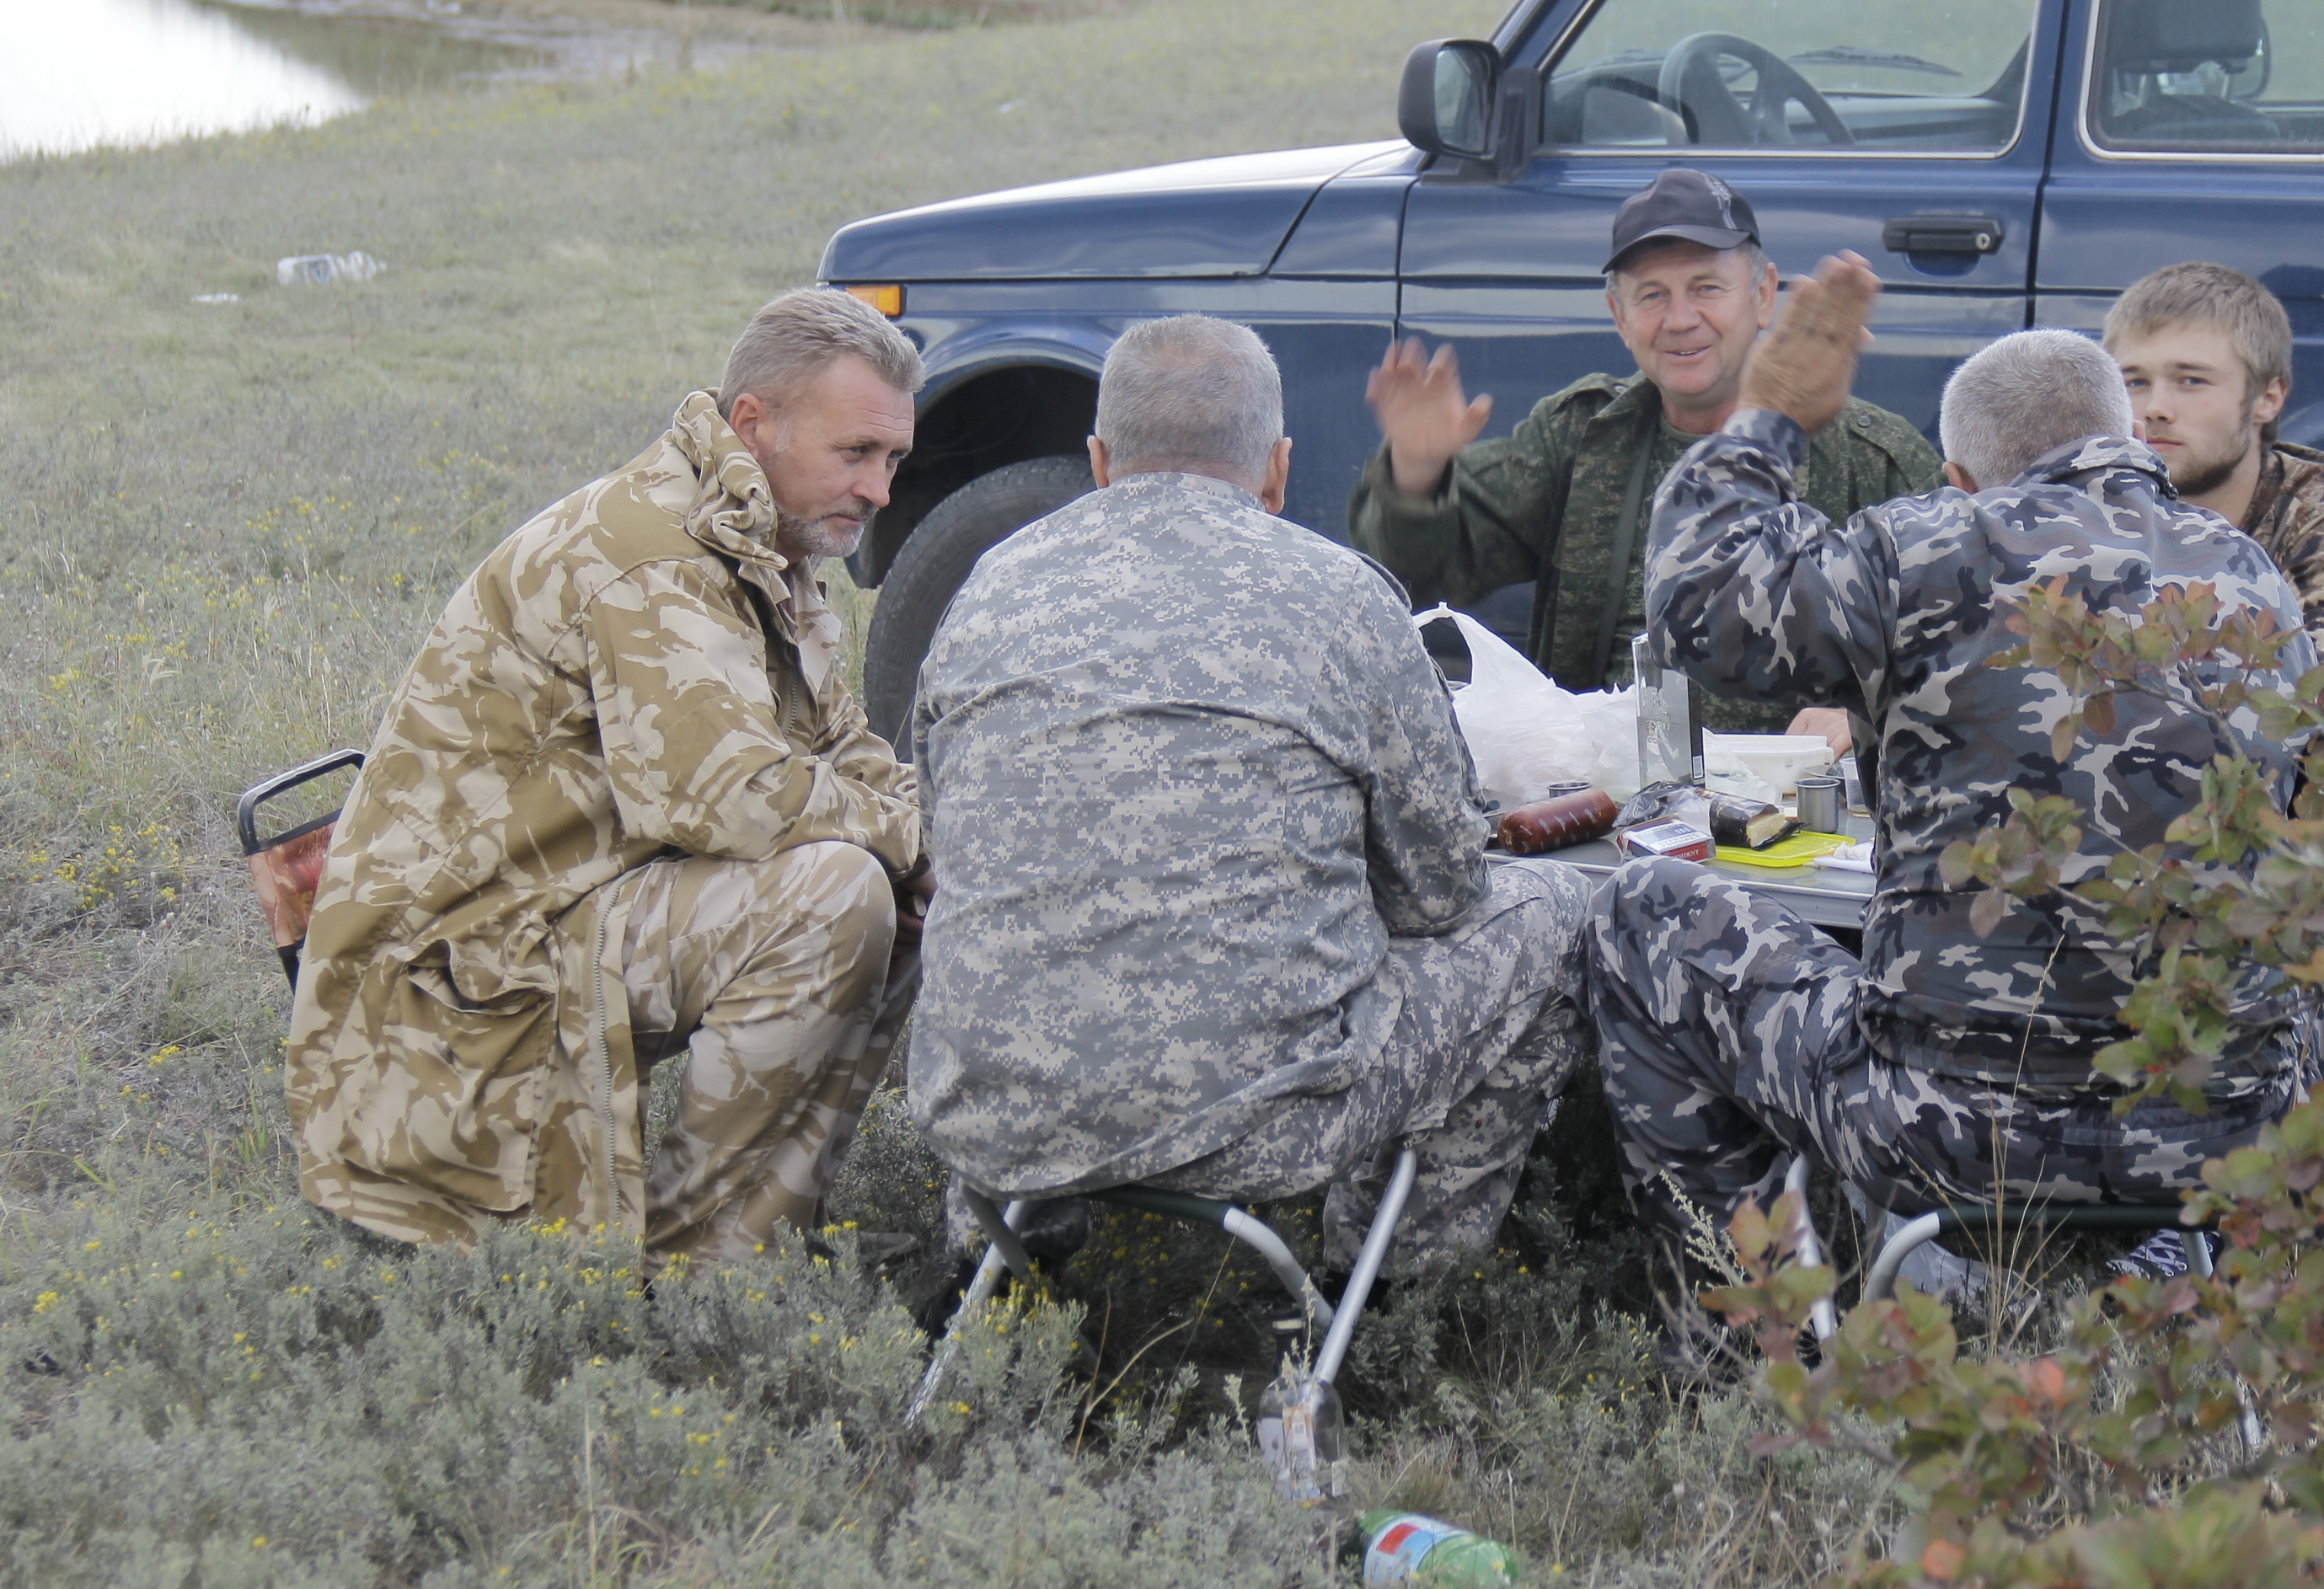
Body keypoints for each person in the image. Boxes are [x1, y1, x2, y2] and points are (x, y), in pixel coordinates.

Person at [1583, 270, 2324, 1310]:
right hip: (2213, 1136)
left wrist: (1767, 419)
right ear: (2127, 436)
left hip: (1941, 1133)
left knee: (1640, 910)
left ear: (1958, 477)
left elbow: (1696, 607)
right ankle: (2216, 1288)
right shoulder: (2256, 578)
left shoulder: (1926, 546)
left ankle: (1748, 1336)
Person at [906, 313, 1591, 1281]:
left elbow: (948, 840)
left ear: (1099, 461)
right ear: (1277, 469)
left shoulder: (988, 589)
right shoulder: (1344, 598)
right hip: (1266, 1125)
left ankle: (1005, 1277)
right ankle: (1392, 1289)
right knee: (1553, 913)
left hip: (984, 1109)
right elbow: (1442, 891)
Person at [286, 286, 931, 1263]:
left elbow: (841, 746)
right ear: (752, 423)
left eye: (893, 460)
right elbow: (732, 800)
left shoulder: (756, 537)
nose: (879, 489)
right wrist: (903, 843)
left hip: (570, 902)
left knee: (892, 888)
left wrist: (933, 850)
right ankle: (694, 1260)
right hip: (460, 962)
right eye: (857, 453)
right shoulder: (650, 555)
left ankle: (761, 1233)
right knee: (834, 891)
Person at [1347, 168, 1940, 748]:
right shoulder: (1582, 438)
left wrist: (1862, 716)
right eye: (1652, 296)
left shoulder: (1872, 459)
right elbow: (1415, 572)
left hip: (1801, 797)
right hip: (1611, 789)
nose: (1680, 320)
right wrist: (1418, 471)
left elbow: (1967, 634)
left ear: (1762, 296)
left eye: (1706, 288)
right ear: (1620, 318)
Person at [2104, 261, 2324, 753]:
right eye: (2134, 382)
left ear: (2268, 398)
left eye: (2191, 381)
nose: (2156, 408)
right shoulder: (2100, 508)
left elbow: (2296, 719)